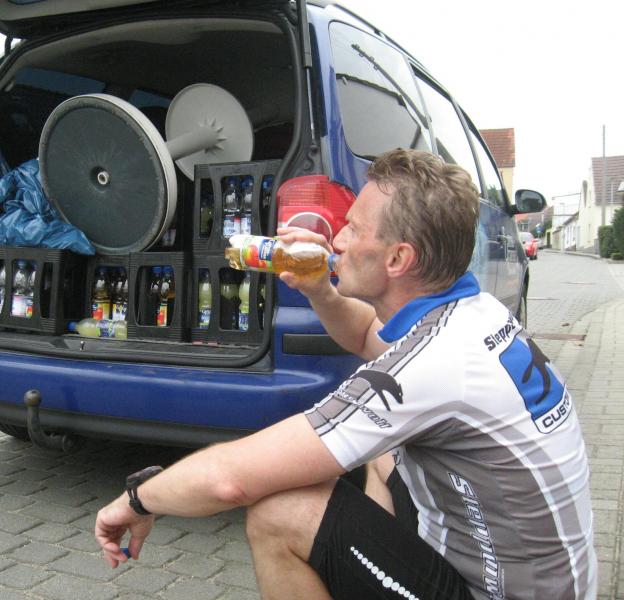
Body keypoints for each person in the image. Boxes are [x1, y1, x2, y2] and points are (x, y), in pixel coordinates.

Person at [95, 149, 597, 599]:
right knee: (382, 454)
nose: (337, 238)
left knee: (282, 514)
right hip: (542, 575)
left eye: (354, 228)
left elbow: (231, 482)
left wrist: (137, 499)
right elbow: (364, 336)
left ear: (398, 258)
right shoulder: (472, 313)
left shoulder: (431, 365)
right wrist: (320, 290)